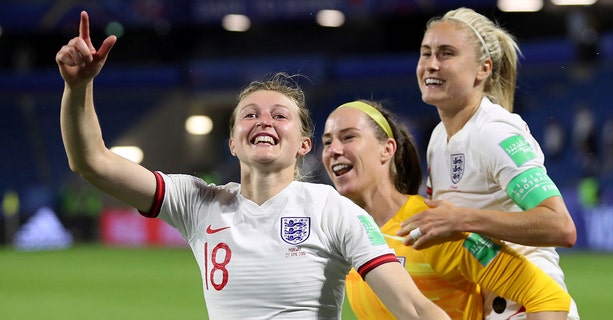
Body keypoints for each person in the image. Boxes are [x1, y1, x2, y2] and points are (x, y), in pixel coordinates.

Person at [55, 11, 451, 320]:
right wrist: (78, 88)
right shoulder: (197, 202)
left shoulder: (334, 210)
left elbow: (414, 309)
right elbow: (92, 161)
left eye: (280, 116)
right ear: (232, 142)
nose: (264, 121)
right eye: (250, 115)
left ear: (303, 145)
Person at [398, 7, 580, 319]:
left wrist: (462, 219)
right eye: (425, 53)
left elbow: (560, 226)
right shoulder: (440, 136)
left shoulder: (493, 132)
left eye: (446, 53)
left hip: (530, 303)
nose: (431, 64)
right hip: (490, 303)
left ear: (483, 69)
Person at [322, 100, 571, 320]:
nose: (333, 150)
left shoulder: (434, 226)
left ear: (387, 149)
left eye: (348, 137)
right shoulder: (346, 235)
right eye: (327, 142)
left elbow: (548, 298)